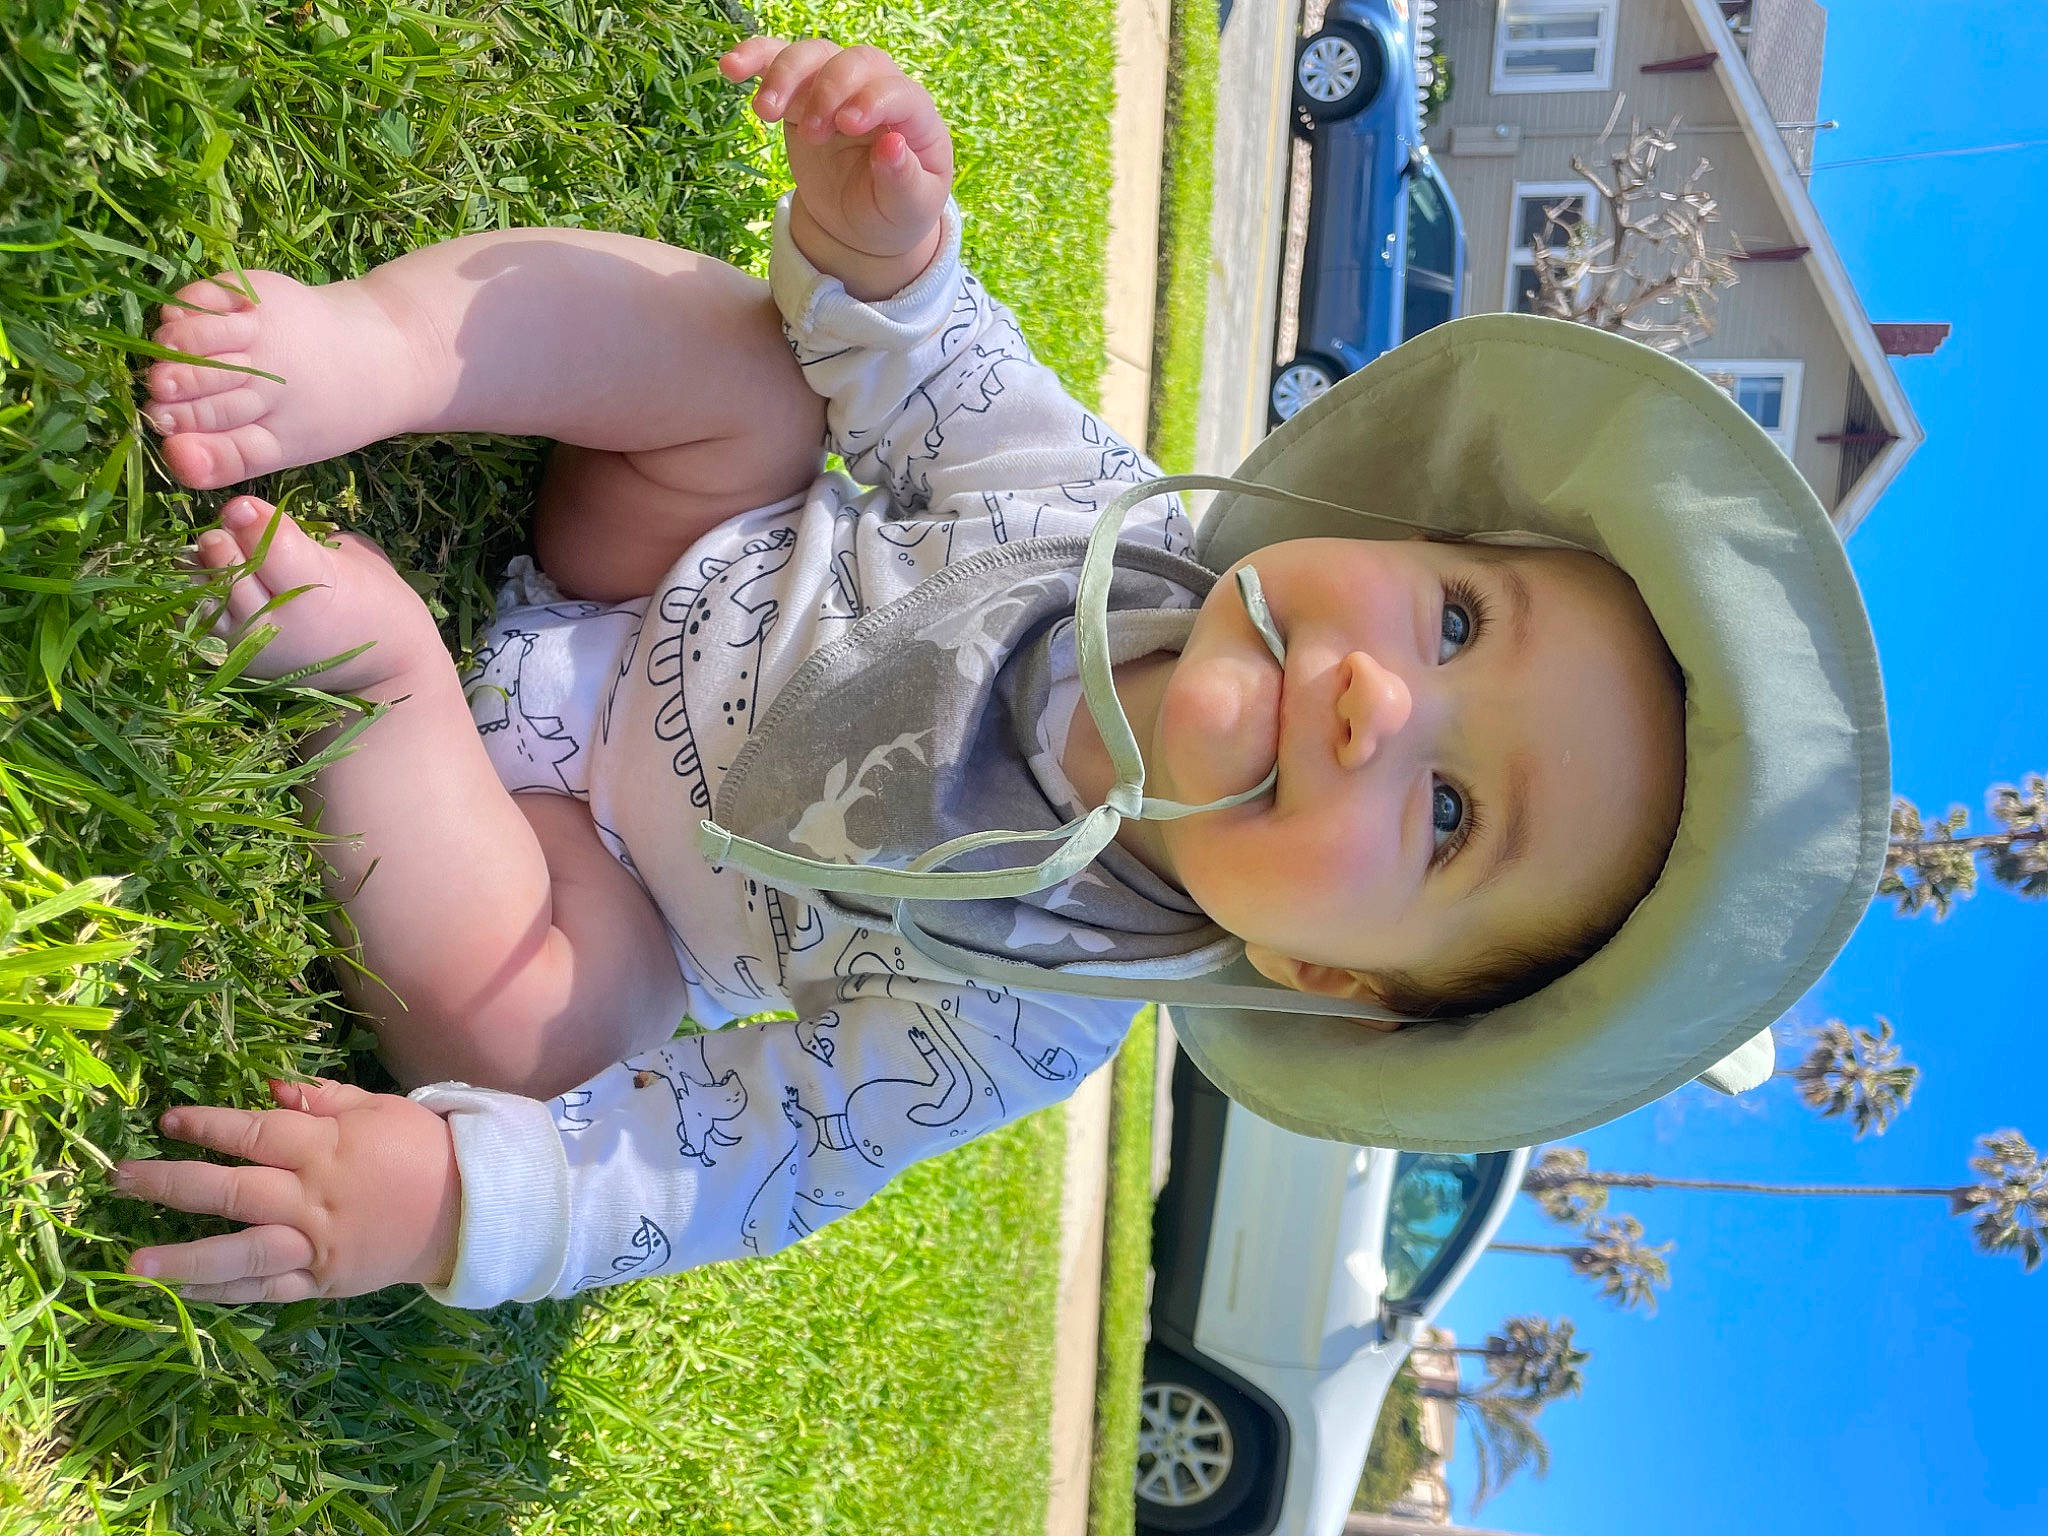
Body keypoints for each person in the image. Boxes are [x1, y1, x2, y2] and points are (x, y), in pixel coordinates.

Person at [111, 37, 1890, 1308]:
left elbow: (758, 1148)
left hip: (610, 878)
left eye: (1446, 811)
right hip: (669, 552)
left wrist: (456, 1208)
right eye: (1455, 624)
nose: (1380, 700)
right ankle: (384, 347)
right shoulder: (1090, 510)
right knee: (750, 369)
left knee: (548, 1030)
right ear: (1404, 535)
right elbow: (926, 364)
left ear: (1320, 972)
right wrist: (885, 246)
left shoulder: (1034, 1005)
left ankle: (388, 695)